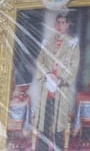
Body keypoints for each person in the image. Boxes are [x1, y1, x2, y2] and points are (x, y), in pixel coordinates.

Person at [31, 13, 80, 150]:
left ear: (68, 24)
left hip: (61, 88)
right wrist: (47, 74)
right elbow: (40, 61)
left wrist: (60, 79)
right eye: (58, 22)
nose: (60, 25)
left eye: (63, 22)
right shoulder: (48, 42)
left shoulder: (72, 44)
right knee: (44, 124)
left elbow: (73, 66)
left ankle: (58, 148)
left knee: (59, 126)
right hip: (46, 89)